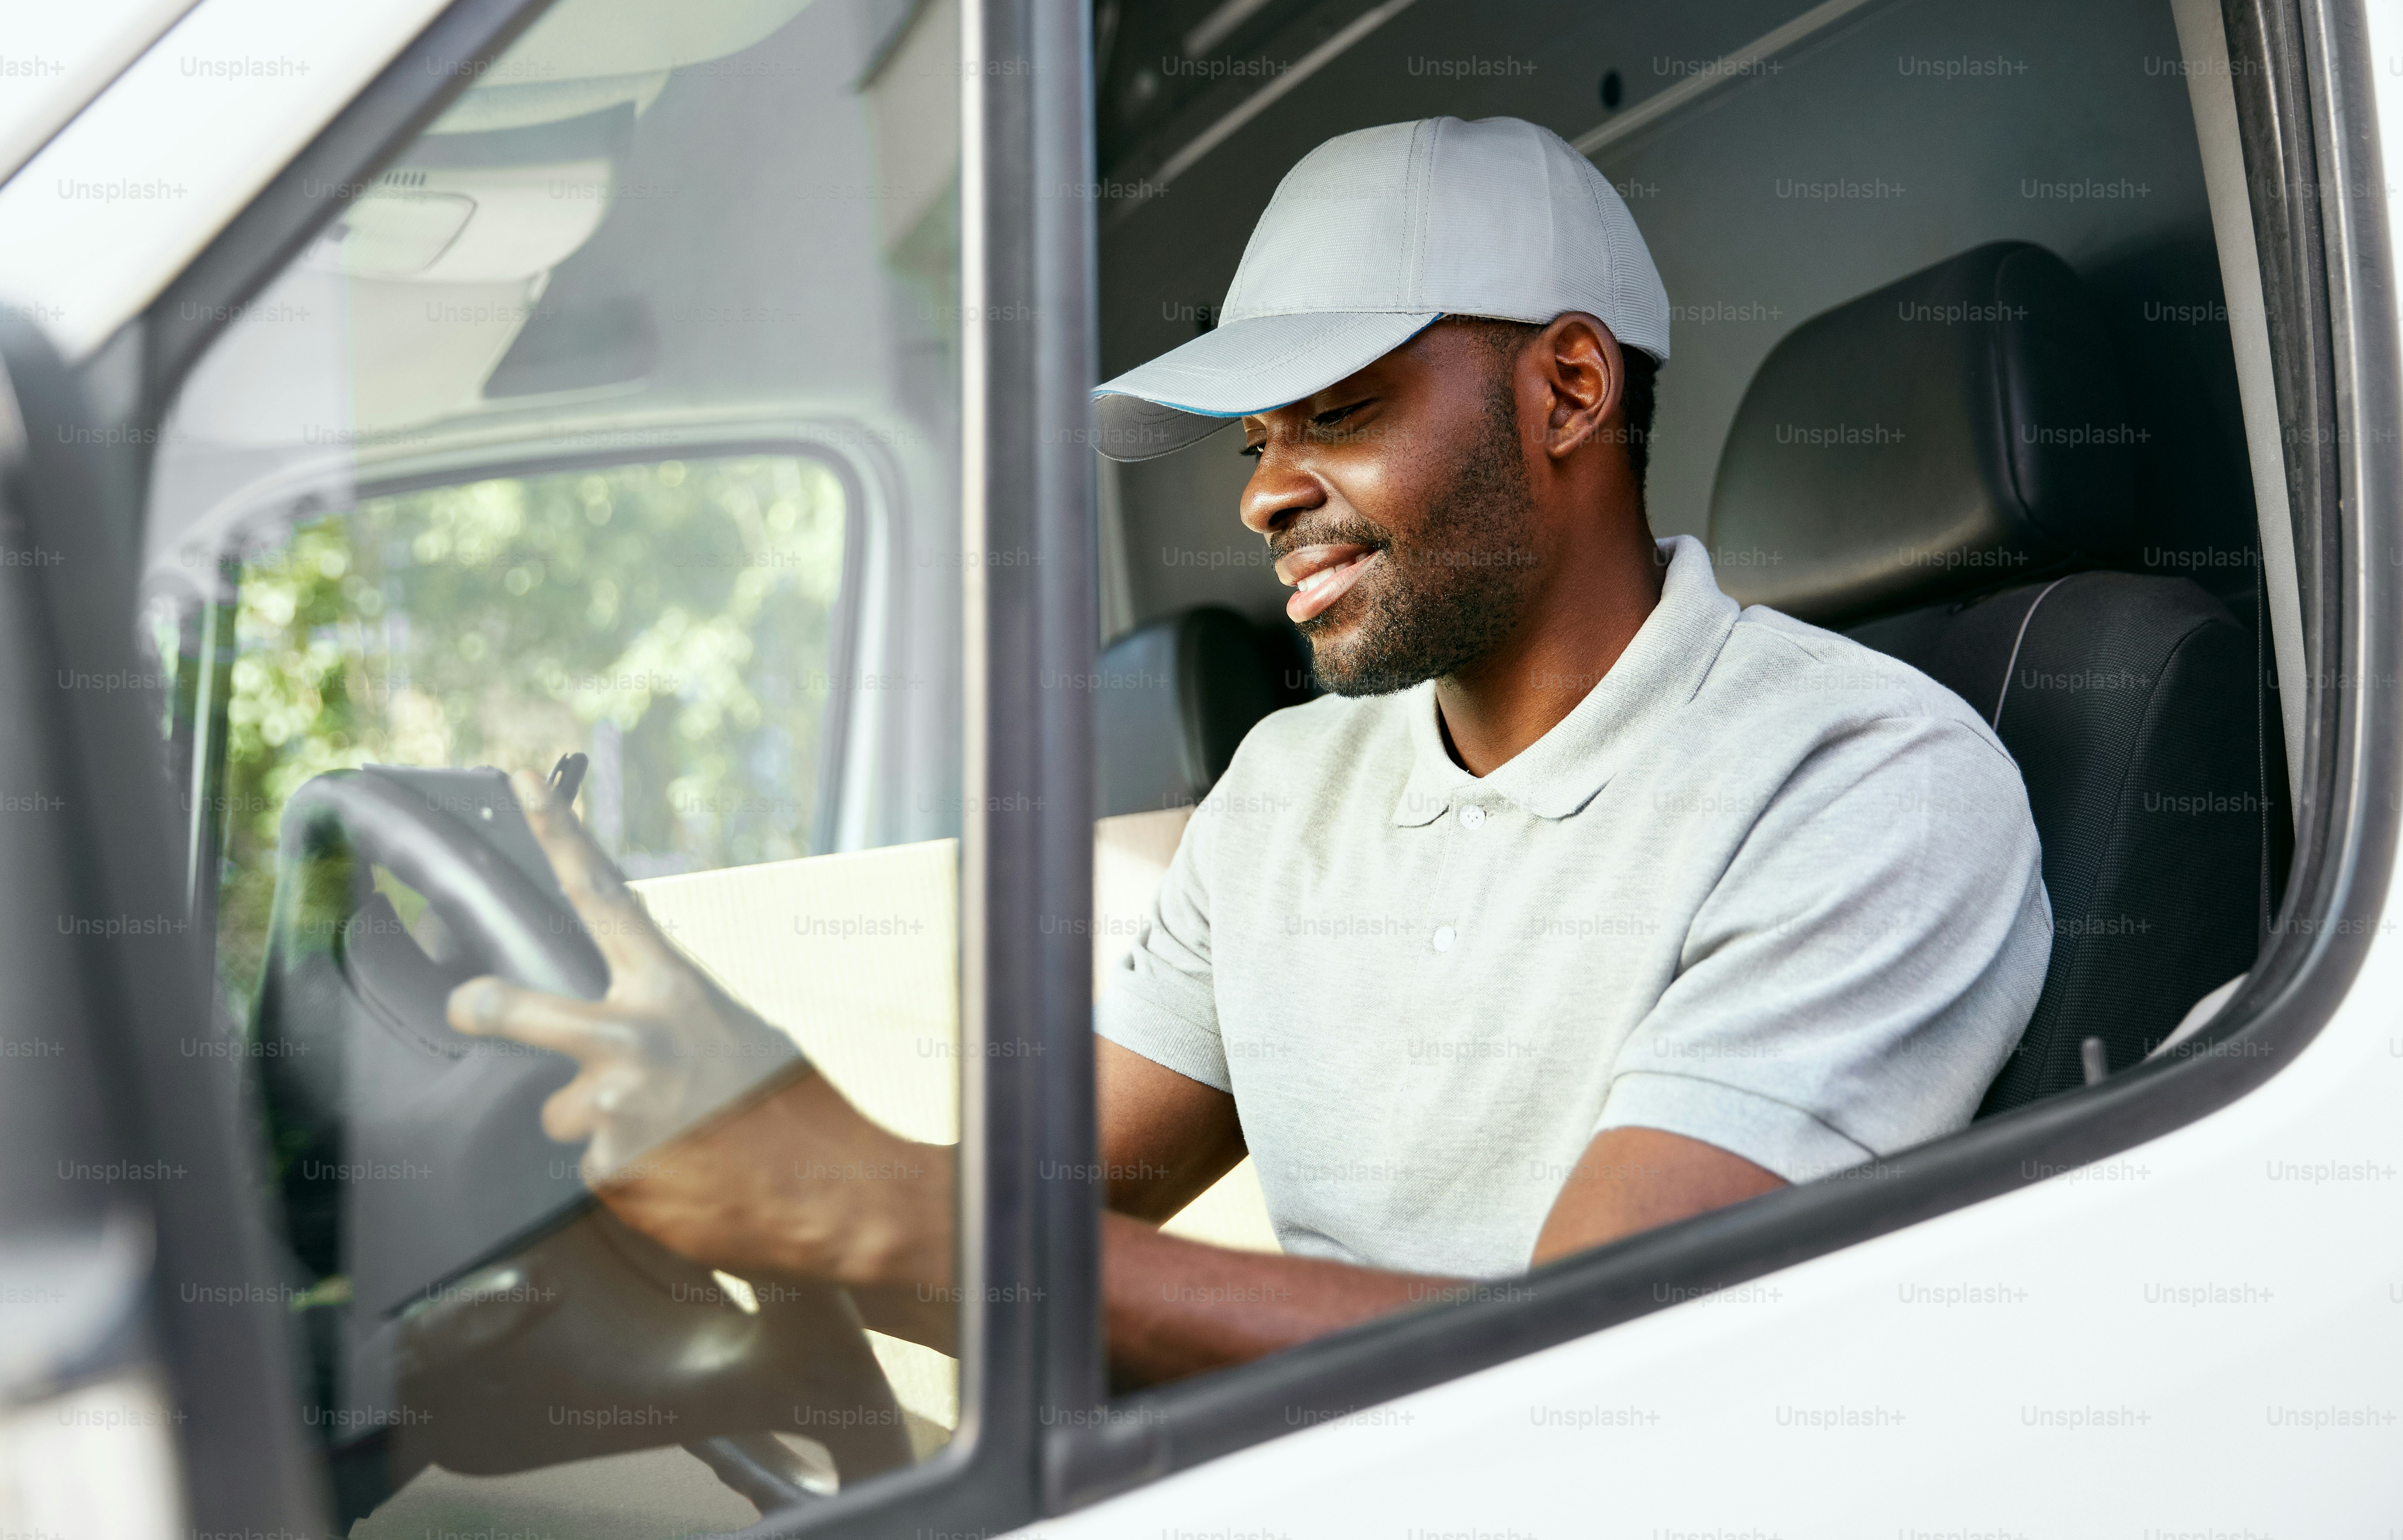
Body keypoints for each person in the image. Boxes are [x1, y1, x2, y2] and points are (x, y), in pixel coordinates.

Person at [449, 116, 2049, 1386]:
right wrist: (719, 1140)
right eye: (1252, 441)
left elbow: (1592, 1377)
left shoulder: (1864, 782)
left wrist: (873, 1203)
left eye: (1334, 413)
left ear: (1566, 388)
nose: (1259, 495)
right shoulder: (1288, 789)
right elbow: (1028, 1233)